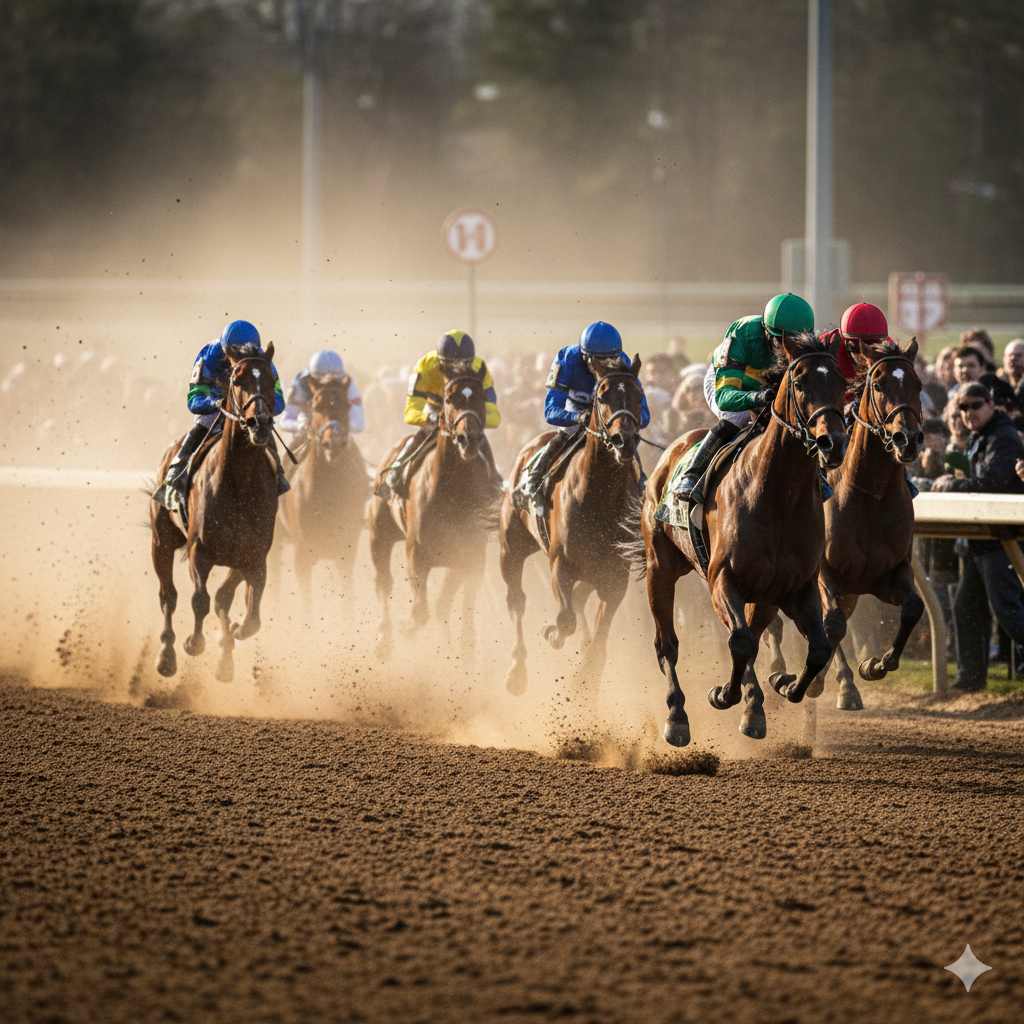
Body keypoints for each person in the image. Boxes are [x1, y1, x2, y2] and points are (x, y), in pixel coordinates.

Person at [671, 292, 815, 502]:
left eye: (795, 343)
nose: (788, 351)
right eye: (781, 343)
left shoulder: (806, 343)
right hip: (729, 380)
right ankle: (692, 474)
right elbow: (724, 397)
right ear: (767, 333)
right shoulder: (744, 333)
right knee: (737, 417)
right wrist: (756, 398)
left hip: (767, 384)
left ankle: (818, 477)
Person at [931, 382, 1024, 692]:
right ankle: (971, 678)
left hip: (1002, 539)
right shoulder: (981, 436)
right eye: (962, 408)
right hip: (982, 540)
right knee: (966, 608)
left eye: (974, 406)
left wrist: (948, 485)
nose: (967, 413)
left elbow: (991, 483)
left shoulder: (1004, 437)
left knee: (1008, 613)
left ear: (990, 404)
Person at [518, 321, 651, 513]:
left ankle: (641, 486)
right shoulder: (567, 360)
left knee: (627, 439)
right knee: (567, 433)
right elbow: (550, 411)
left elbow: (644, 415)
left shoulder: (623, 362)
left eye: (611, 359)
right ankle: (534, 480)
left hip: (609, 416)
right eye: (599, 361)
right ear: (585, 357)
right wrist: (578, 417)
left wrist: (627, 423)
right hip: (577, 411)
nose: (606, 366)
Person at [154, 320, 288, 510]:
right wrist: (216, 403)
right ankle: (174, 478)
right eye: (235, 357)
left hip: (248, 410)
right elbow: (194, 401)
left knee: (265, 427)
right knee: (202, 425)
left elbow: (279, 401)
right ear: (226, 352)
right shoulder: (208, 356)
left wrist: (260, 407)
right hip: (216, 407)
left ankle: (278, 477)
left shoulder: (263, 362)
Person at [378, 329, 500, 496]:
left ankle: (495, 481)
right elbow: (410, 411)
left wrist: (472, 419)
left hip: (464, 414)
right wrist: (428, 417)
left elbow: (494, 416)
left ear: (471, 362)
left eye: (464, 365)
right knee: (420, 436)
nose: (458, 371)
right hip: (435, 410)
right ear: (440, 362)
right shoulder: (425, 366)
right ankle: (395, 473)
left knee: (478, 437)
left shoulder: (480, 369)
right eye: (451, 366)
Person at [278, 350, 365, 457]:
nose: (328, 385)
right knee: (286, 459)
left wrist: (340, 425)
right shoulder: (300, 384)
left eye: (334, 381)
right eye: (322, 382)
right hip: (306, 434)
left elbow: (359, 424)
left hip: (340, 434)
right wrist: (300, 425)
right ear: (312, 377)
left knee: (358, 460)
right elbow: (284, 421)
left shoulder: (348, 384)